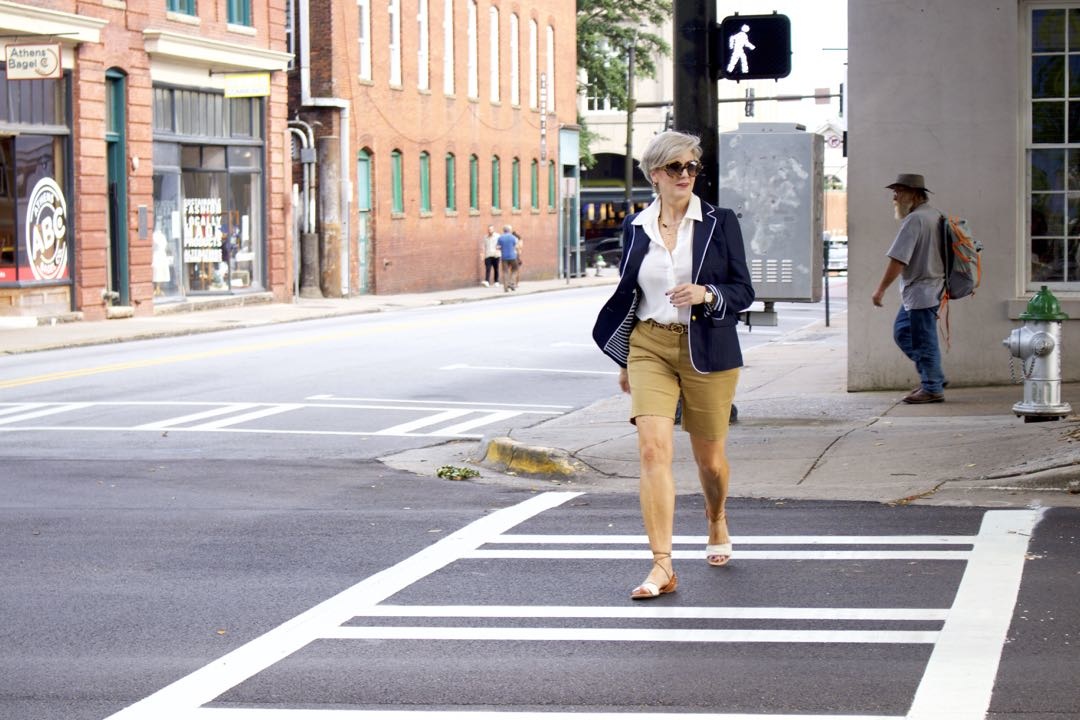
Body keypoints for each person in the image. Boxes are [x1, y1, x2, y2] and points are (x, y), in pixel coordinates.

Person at [592, 130, 755, 600]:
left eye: (692, 167)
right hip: (649, 345)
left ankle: (716, 516)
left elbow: (744, 290)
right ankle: (662, 564)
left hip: (706, 348)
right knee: (651, 451)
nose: (686, 175)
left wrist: (707, 294)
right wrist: (626, 358)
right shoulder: (636, 226)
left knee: (710, 460)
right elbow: (633, 294)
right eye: (675, 168)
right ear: (655, 174)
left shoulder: (719, 222)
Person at [872, 173, 947, 404]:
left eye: (899, 191)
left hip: (922, 291)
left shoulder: (915, 220)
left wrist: (880, 289)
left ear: (914, 194)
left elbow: (898, 259)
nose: (895, 197)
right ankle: (932, 376)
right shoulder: (934, 215)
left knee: (922, 340)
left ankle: (933, 386)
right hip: (929, 288)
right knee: (904, 332)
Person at [497, 224, 520, 292]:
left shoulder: (500, 238)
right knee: (515, 269)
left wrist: (503, 248)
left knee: (505, 272)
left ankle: (506, 288)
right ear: (510, 230)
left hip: (504, 257)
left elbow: (497, 247)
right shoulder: (513, 237)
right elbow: (517, 247)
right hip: (513, 256)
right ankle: (512, 283)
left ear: (503, 230)